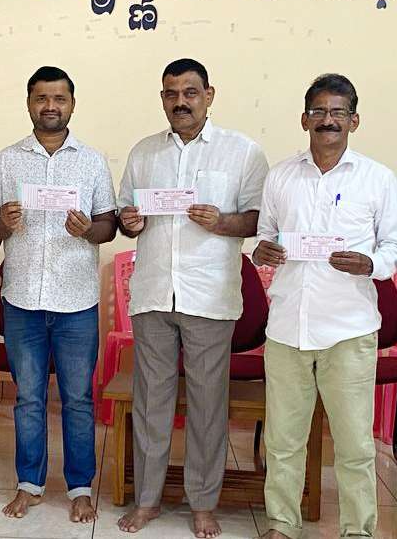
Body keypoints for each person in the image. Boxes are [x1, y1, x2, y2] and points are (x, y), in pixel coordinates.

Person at [114, 58, 268, 539]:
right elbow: (125, 215)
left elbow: (259, 219)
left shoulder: (242, 152)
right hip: (154, 293)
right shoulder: (144, 152)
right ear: (162, 98)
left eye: (190, 92)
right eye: (171, 94)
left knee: (207, 405)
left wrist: (222, 222)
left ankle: (203, 503)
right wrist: (130, 222)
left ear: (209, 95)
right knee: (151, 402)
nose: (180, 102)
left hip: (209, 295)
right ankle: (148, 499)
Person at [251, 73, 397, 539]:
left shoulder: (377, 178)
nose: (328, 120)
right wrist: (262, 250)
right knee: (283, 441)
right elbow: (264, 237)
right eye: (318, 111)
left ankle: (357, 531)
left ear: (354, 121)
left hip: (348, 330)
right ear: (304, 119)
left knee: (355, 445)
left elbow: (396, 245)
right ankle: (283, 524)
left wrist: (370, 264)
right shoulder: (281, 176)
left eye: (338, 112)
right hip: (288, 328)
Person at [0, 66, 116, 524]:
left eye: (59, 98)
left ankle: (80, 488)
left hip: (77, 301)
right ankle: (30, 485)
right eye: (41, 98)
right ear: (29, 104)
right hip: (22, 300)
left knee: (78, 399)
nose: (50, 106)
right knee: (28, 399)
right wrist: (3, 223)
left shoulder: (92, 161)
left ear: (72, 104)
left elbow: (108, 223)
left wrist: (89, 230)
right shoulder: (7, 160)